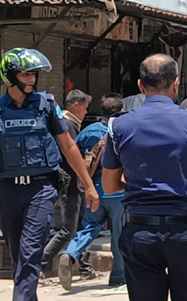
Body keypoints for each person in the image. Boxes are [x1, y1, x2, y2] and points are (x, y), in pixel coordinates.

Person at [0, 48, 99, 301]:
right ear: (11, 75)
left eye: (34, 74)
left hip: (41, 189)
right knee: (19, 256)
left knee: (31, 252)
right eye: (26, 74)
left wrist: (88, 184)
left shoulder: (47, 105)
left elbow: (68, 147)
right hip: (9, 190)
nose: (32, 79)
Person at [101, 53, 187, 301]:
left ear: (140, 85)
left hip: (140, 232)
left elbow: (109, 185)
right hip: (186, 231)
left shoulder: (119, 127)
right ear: (176, 83)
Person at [58, 93, 126, 290]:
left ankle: (70, 253)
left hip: (93, 189)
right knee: (118, 235)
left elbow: (73, 153)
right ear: (120, 111)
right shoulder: (122, 131)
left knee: (88, 227)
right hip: (117, 191)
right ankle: (118, 276)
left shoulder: (89, 130)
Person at [41, 89, 92, 276]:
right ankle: (40, 263)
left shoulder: (67, 123)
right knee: (68, 230)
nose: (86, 113)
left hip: (73, 184)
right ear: (75, 105)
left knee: (80, 227)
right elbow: (70, 155)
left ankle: (85, 267)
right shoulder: (66, 125)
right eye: (85, 108)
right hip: (69, 185)